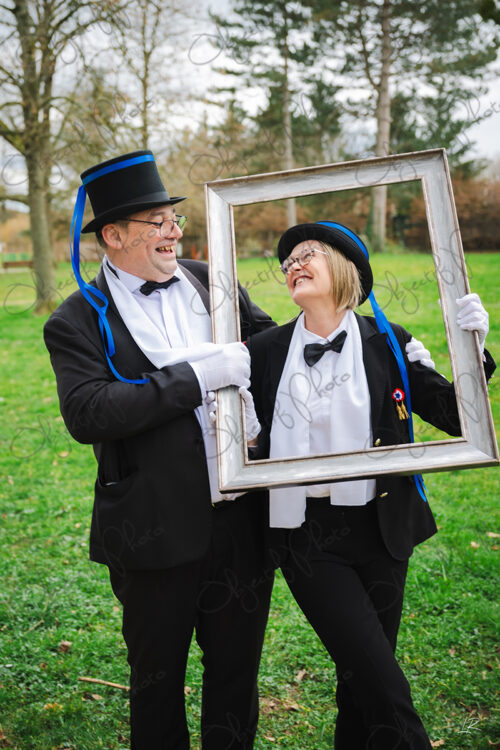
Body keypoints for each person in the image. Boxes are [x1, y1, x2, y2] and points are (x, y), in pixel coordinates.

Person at [43, 150, 275, 749]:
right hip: (151, 529)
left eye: (174, 218)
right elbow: (90, 412)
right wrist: (196, 378)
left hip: (241, 520)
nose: (174, 230)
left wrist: (380, 340)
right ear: (113, 236)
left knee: (236, 676)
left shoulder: (210, 279)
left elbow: (276, 351)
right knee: (157, 682)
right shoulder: (76, 319)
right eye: (157, 221)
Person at [247, 221, 495, 750]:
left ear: (344, 267)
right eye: (287, 262)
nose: (293, 265)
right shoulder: (263, 350)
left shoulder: (389, 341)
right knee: (379, 678)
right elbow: (243, 441)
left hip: (383, 528)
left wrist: (473, 350)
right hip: (306, 535)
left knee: (360, 677)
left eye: (306, 255)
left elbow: (456, 415)